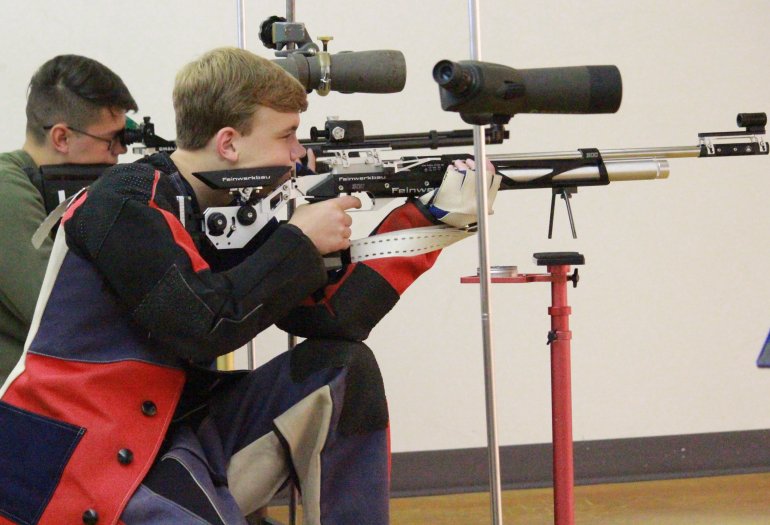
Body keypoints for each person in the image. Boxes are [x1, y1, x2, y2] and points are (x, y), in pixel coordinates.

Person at [0, 47, 498, 525]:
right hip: (82, 455)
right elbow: (203, 325)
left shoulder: (220, 207)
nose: (300, 153)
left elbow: (333, 319)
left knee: (344, 370)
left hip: (172, 429)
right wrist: (300, 241)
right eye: (287, 136)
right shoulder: (125, 201)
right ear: (229, 143)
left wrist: (432, 220)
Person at [0, 54, 137, 383]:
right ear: (61, 137)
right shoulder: (6, 187)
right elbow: (53, 309)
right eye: (112, 139)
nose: (121, 151)